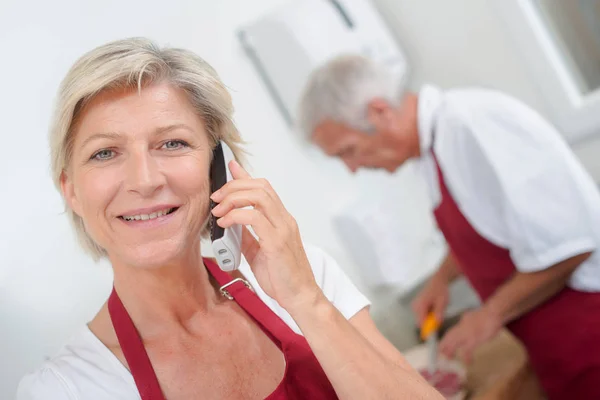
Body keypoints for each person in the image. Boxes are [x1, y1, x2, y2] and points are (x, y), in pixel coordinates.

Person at [15, 38, 442, 400]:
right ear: (71, 189)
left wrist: (308, 303)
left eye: (172, 143)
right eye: (105, 153)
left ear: (218, 164)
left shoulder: (304, 280)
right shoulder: (64, 389)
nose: (144, 181)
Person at [297, 53, 600, 400]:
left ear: (380, 112)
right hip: (557, 349)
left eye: (348, 151)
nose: (352, 168)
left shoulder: (473, 125)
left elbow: (570, 245)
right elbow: (492, 227)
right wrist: (441, 279)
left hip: (590, 331)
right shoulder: (433, 148)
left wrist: (489, 315)